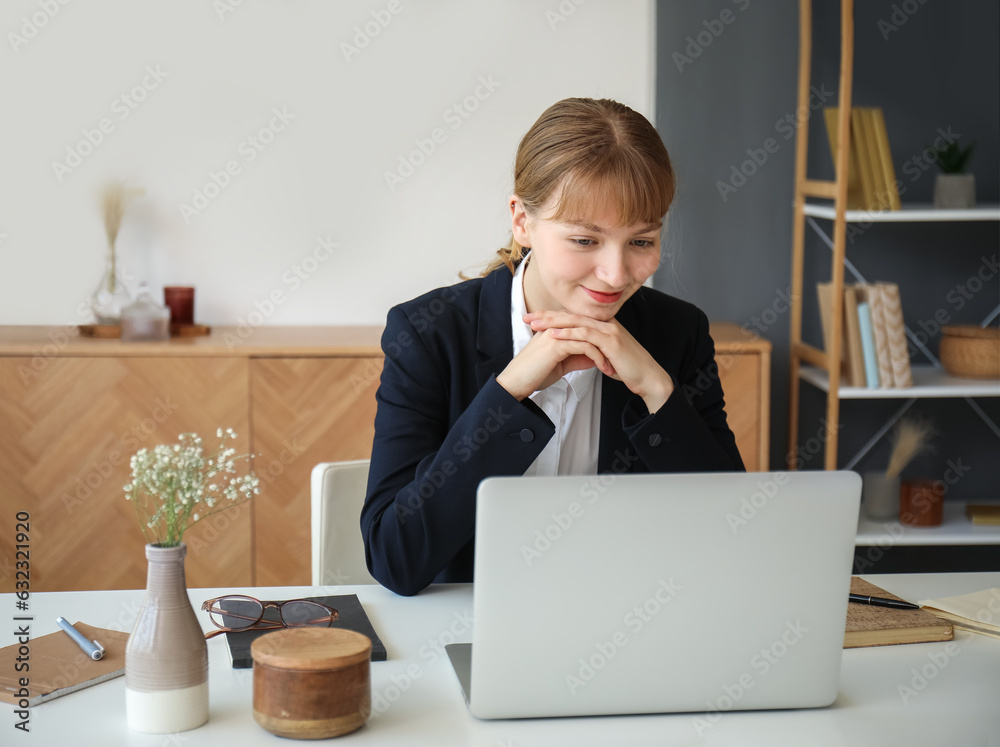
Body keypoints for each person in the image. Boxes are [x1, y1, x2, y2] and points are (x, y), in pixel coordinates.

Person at [361, 97, 744, 596]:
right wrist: (506, 394)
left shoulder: (679, 332)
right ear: (522, 221)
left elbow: (733, 536)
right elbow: (395, 558)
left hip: (628, 618)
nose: (615, 275)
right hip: (469, 624)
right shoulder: (428, 333)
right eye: (585, 241)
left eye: (641, 242)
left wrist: (657, 391)